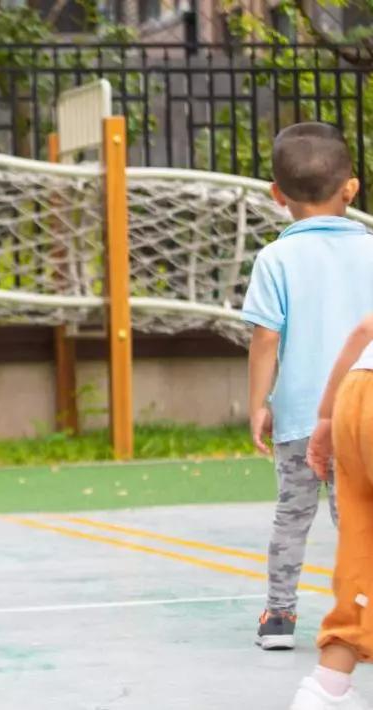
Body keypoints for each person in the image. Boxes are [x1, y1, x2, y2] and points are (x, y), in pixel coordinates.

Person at [242, 122, 373, 649]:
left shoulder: (275, 258)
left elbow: (265, 339)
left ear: (277, 195)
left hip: (300, 415)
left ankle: (279, 616)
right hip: (362, 409)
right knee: (359, 518)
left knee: (292, 515)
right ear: (351, 188)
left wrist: (258, 405)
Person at [290, 313, 373, 710]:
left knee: (361, 547)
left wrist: (324, 417)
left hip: (356, 392)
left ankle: (328, 686)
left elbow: (364, 330)